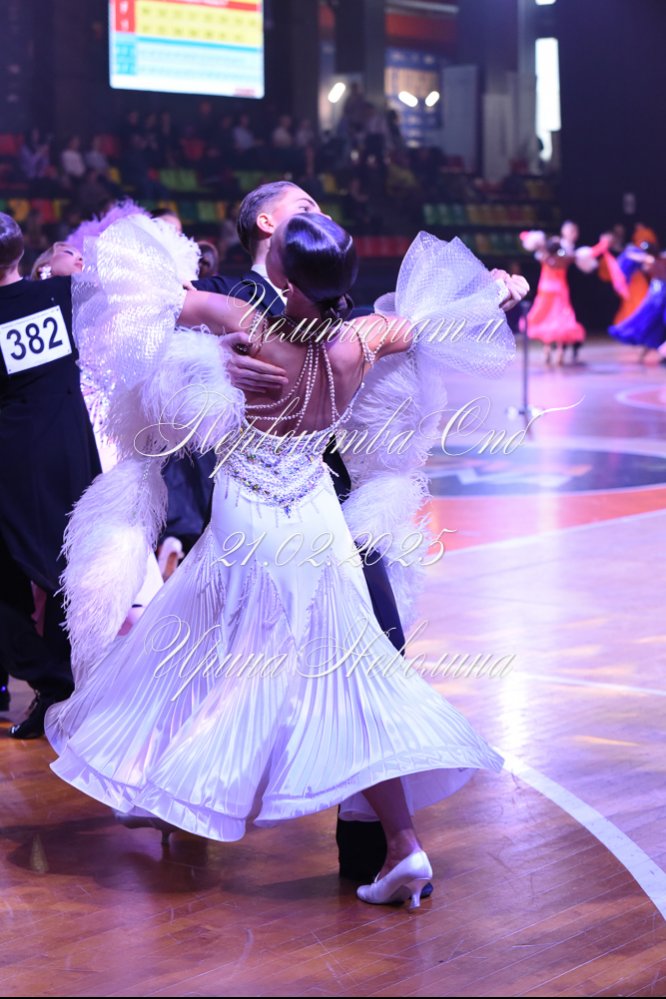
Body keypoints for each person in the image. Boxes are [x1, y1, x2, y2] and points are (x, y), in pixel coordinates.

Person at [45, 211, 521, 909]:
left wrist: (208, 350)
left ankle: (171, 789)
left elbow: (155, 299)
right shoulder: (362, 339)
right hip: (318, 520)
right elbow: (432, 322)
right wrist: (497, 291)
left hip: (248, 515)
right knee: (351, 677)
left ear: (288, 282)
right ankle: (403, 844)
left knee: (201, 648)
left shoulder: (245, 320)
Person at [0, 213, 101, 738]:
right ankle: (63, 686)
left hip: (13, 456)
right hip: (68, 446)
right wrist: (59, 270)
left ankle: (51, 681)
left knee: (11, 579)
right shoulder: (62, 293)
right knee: (65, 570)